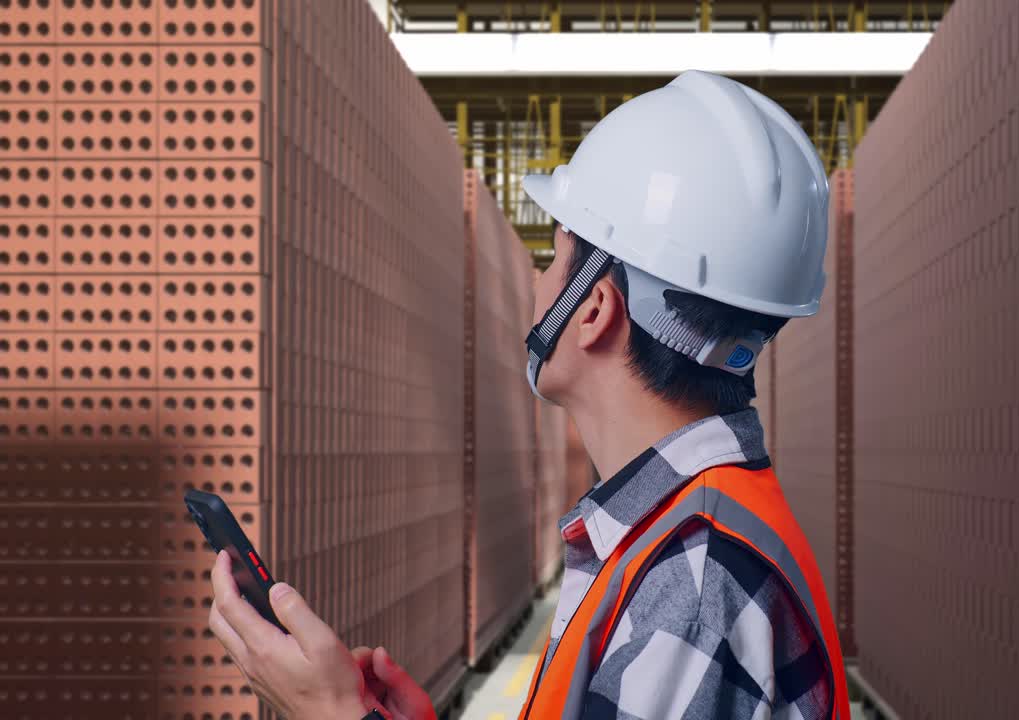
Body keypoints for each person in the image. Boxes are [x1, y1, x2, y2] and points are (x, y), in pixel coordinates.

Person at [205, 68, 850, 720]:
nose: (539, 283)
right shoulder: (674, 534)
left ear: (595, 308)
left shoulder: (689, 586)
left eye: (553, 252)